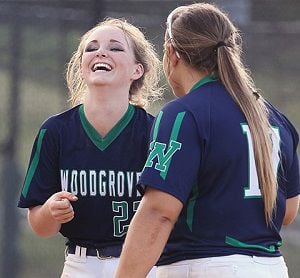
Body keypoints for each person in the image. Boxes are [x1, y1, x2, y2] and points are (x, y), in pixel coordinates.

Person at [115, 3, 300, 278]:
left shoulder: (182, 114)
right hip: (270, 267)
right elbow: (287, 211)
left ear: (172, 54)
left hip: (204, 267)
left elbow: (158, 213)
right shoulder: (274, 118)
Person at [17, 17, 161, 278]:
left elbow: (168, 213)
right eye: (91, 47)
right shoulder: (55, 131)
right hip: (80, 264)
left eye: (115, 47)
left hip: (143, 263)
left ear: (137, 70)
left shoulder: (155, 132)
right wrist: (51, 210)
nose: (101, 51)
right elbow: (40, 225)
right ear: (82, 67)